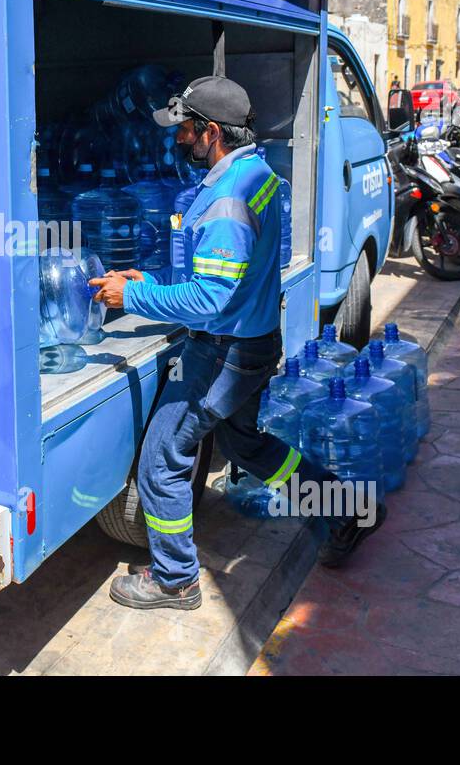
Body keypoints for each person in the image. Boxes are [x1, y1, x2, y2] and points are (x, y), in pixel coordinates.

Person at [89, 76, 386, 611]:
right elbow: (229, 278)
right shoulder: (257, 175)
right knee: (247, 446)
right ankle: (346, 509)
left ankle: (176, 579)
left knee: (161, 457)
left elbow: (209, 299)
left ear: (210, 132)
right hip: (253, 341)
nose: (177, 139)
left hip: (222, 351)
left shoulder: (226, 200)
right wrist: (148, 283)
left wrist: (128, 300)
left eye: (184, 129)